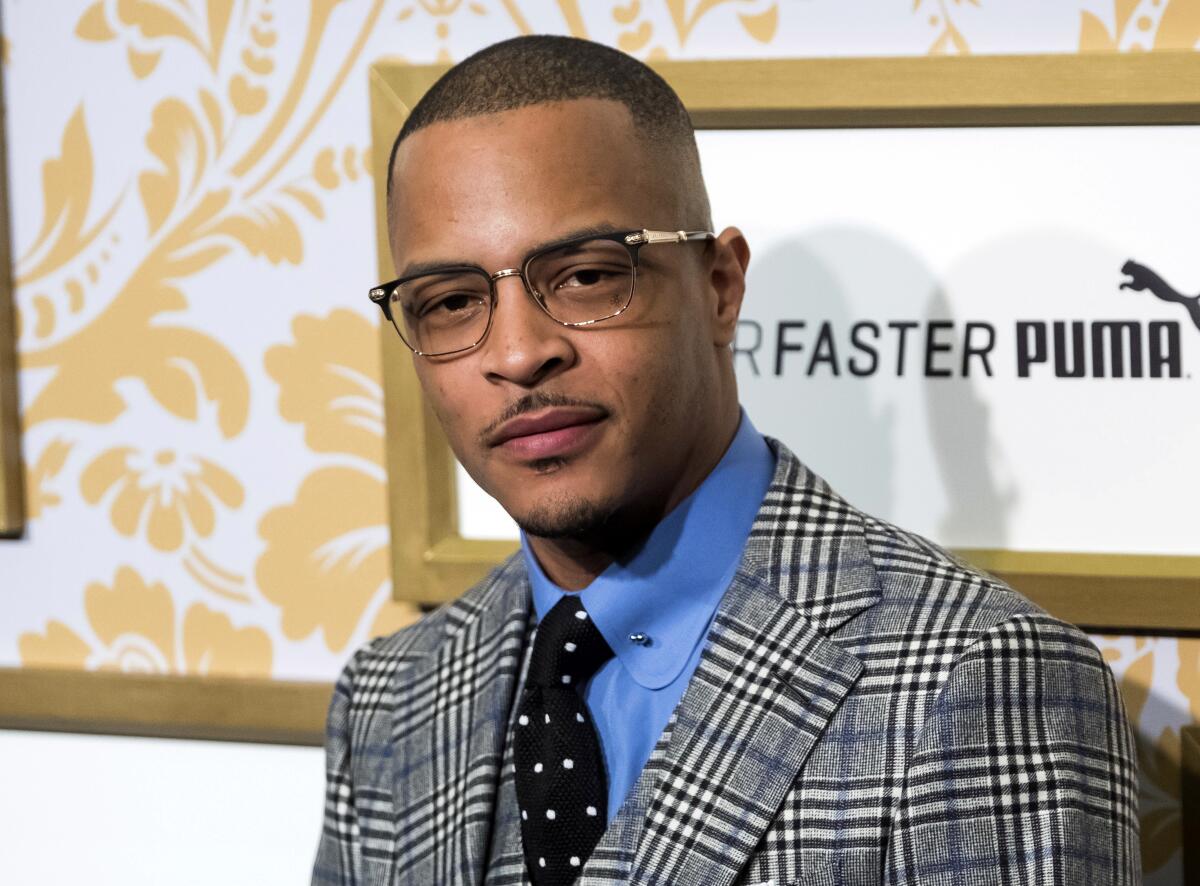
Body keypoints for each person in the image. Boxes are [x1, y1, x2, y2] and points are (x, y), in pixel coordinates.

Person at [313, 35, 1138, 886]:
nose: (520, 354)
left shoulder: (979, 680)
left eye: (588, 277)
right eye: (450, 302)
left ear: (719, 287)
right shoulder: (390, 699)